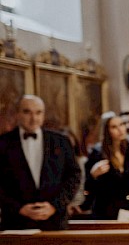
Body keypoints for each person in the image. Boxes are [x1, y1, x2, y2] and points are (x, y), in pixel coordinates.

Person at [0, 95, 80, 230]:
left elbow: (73, 176)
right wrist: (19, 208)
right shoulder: (3, 143)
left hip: (55, 222)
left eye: (38, 112)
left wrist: (54, 206)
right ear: (17, 114)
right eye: (27, 112)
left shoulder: (61, 141)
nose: (34, 118)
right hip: (16, 223)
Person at [82, 111, 129, 220]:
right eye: (114, 127)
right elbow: (87, 187)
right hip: (106, 211)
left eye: (122, 125)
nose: (120, 129)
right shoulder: (98, 153)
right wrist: (93, 175)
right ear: (107, 131)